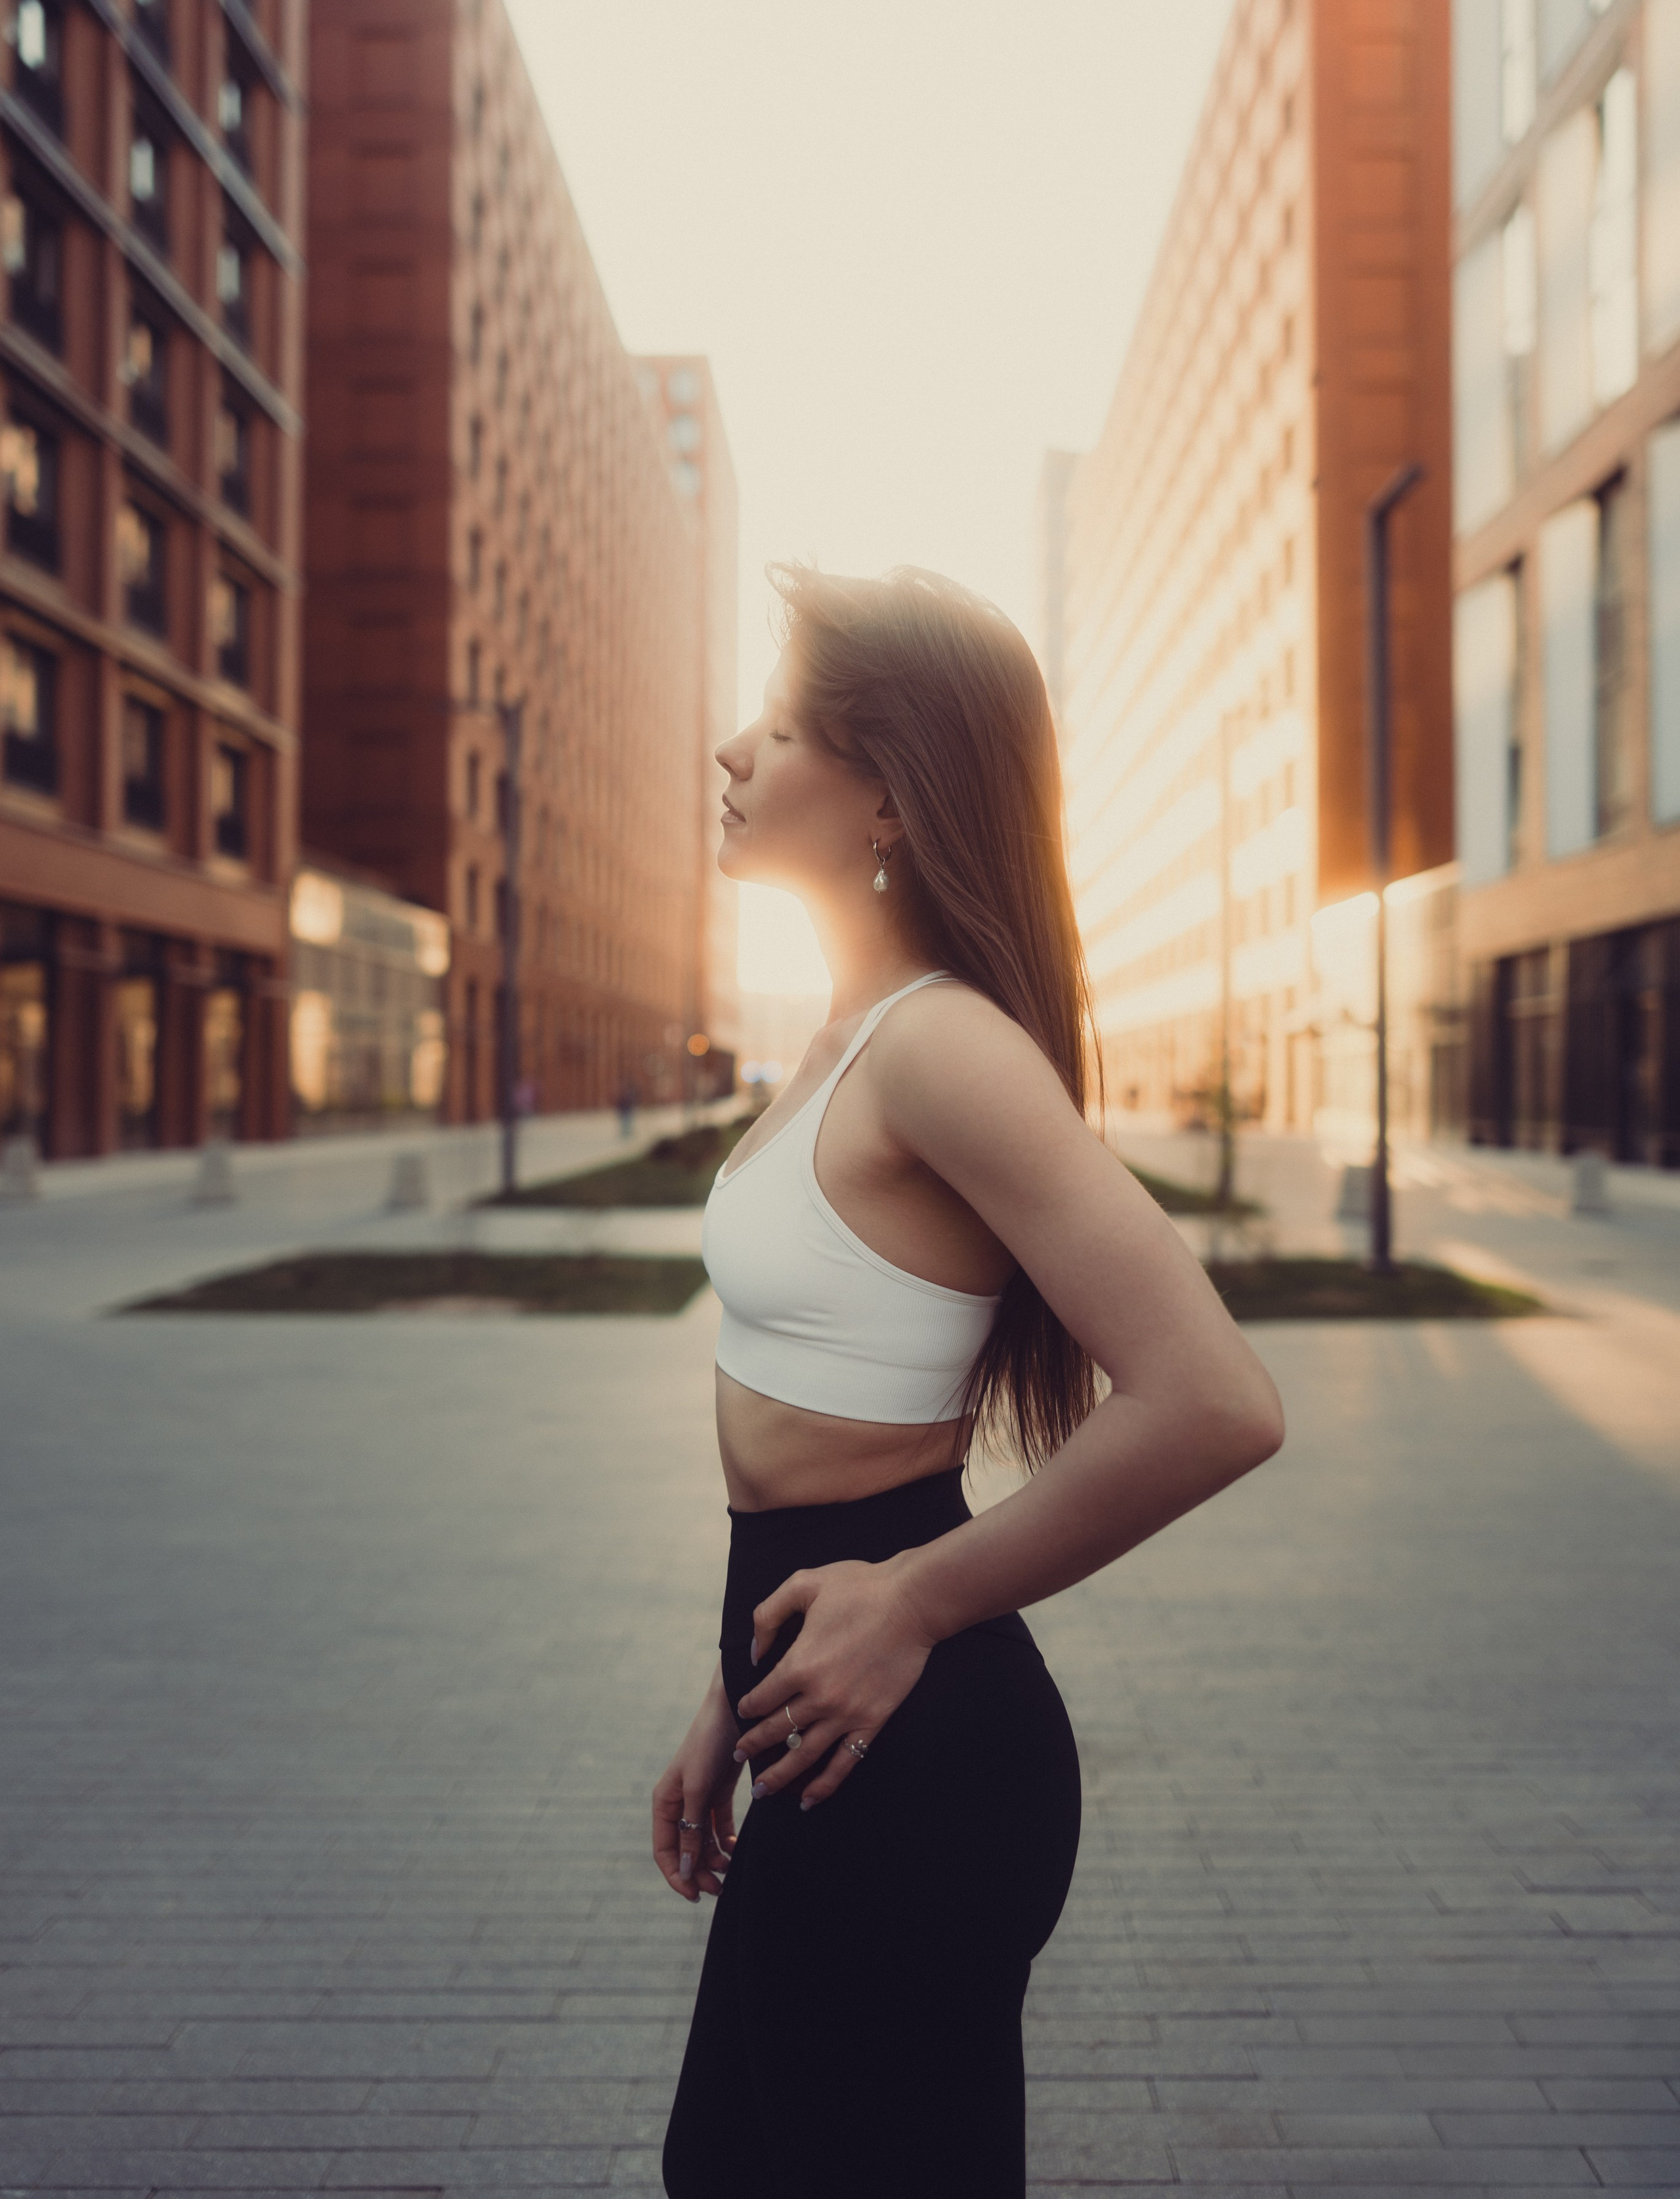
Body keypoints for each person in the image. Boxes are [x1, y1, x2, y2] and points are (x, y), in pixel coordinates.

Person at [655, 565, 1284, 2198]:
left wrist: (910, 1604)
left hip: (923, 1752)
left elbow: (1213, 1398)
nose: (730, 750)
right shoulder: (849, 1034)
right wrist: (735, 1688)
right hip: (825, 1705)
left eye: (777, 726)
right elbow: (817, 1427)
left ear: (886, 793)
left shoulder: (940, 1048)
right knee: (726, 2166)